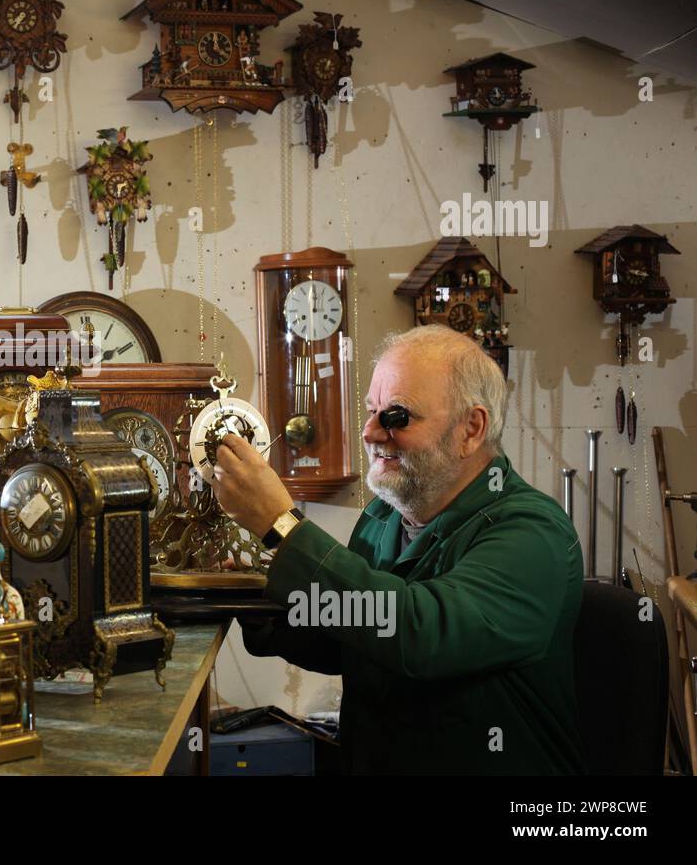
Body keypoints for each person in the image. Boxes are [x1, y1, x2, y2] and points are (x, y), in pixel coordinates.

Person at [213, 325, 586, 774]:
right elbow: (353, 632)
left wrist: (281, 525)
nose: (370, 432)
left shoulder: (533, 533)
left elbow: (420, 632)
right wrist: (263, 605)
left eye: (397, 417)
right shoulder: (381, 520)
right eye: (372, 412)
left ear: (471, 428)